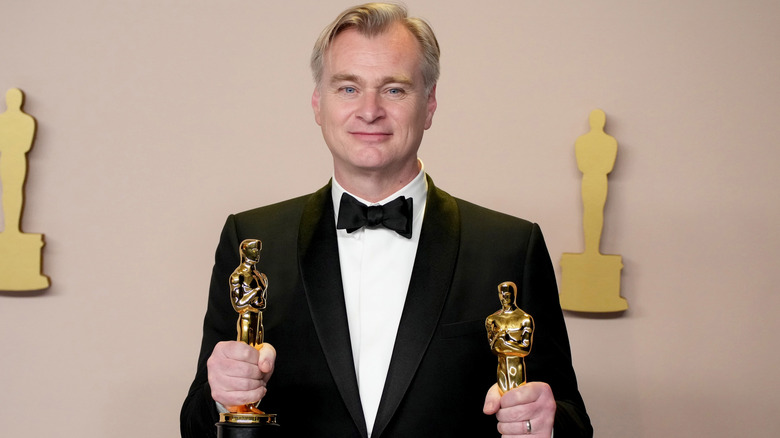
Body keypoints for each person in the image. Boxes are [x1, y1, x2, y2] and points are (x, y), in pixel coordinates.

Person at [181, 3, 592, 437]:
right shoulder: (251, 240)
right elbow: (195, 425)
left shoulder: (510, 247)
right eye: (348, 88)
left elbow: (572, 422)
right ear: (318, 104)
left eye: (394, 89)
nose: (370, 110)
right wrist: (219, 395)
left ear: (429, 104)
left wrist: (548, 423)